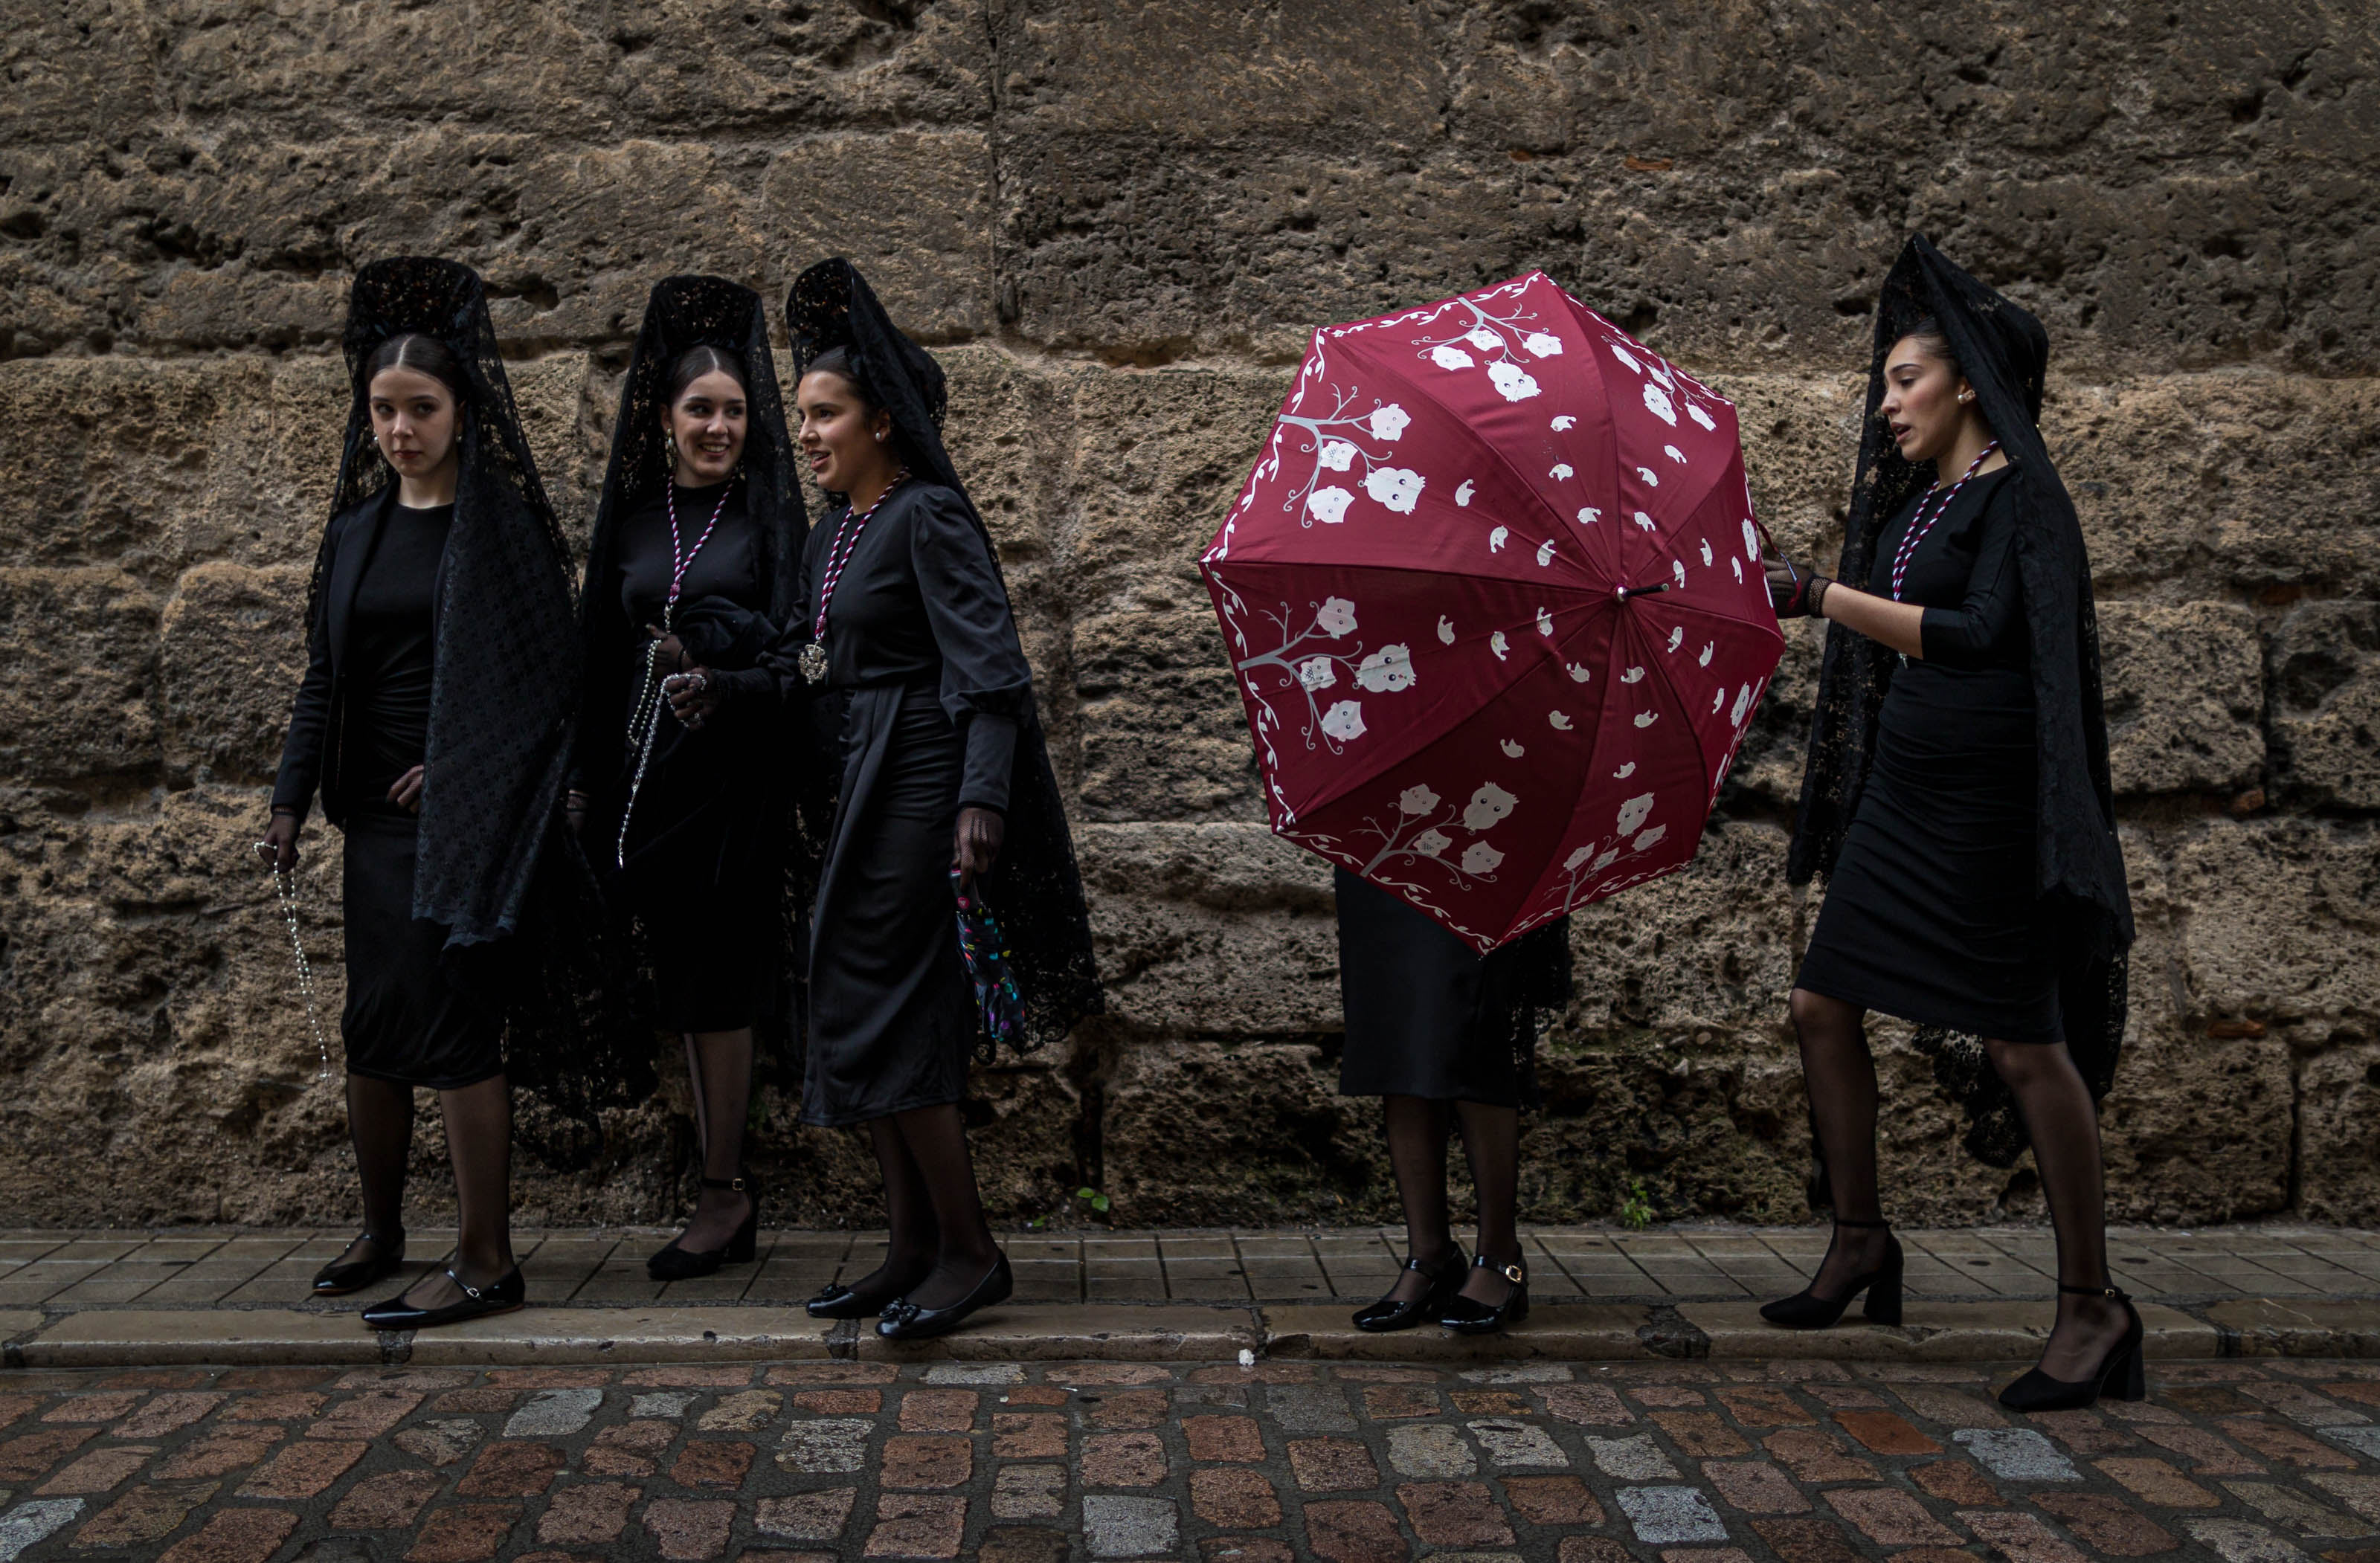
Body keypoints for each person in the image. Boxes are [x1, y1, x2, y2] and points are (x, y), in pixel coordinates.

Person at [1763, 237, 2138, 1411]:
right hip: (1905, 796)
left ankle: (2094, 1307)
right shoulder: (1925, 500)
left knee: (2027, 1046)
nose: (1888, 403)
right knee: (1822, 1002)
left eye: (1904, 379)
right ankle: (1861, 1238)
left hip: (1987, 808)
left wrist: (1820, 596)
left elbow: (1980, 635)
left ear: (1968, 379)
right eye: (1886, 383)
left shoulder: (2025, 496)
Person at [262, 257, 582, 1330]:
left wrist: (462, 765)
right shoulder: (354, 534)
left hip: (465, 822)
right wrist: (285, 800)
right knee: (374, 1025)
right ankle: (383, 1230)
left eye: (423, 409)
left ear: (461, 411)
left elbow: (551, 686)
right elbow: (324, 677)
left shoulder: (500, 534)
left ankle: (489, 1258)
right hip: (371, 824)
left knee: (453, 1030)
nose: (402, 429)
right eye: (384, 410)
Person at [785, 259, 1102, 1341]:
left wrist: (981, 803)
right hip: (855, 784)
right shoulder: (833, 531)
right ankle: (910, 1246)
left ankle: (970, 1250)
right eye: (805, 417)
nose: (809, 433)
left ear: (882, 417)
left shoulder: (929, 518)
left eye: (825, 414)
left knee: (903, 1014)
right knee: (853, 1006)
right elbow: (812, 657)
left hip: (922, 781)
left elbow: (992, 672)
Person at [567, 276, 814, 1281]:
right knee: (680, 986)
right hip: (647, 791)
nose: (718, 426)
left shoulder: (768, 517)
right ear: (664, 419)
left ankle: (724, 1191)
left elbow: (805, 651)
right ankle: (720, 1185)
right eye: (698, 409)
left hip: (736, 788)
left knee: (722, 987)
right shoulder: (633, 519)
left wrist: (726, 675)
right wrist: (583, 778)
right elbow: (593, 654)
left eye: (734, 410)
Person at [1337, 874, 1571, 1335]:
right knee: (1398, 1027)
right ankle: (1430, 1256)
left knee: (1473, 1024)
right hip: (1384, 838)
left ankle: (1500, 1255)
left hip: (1490, 840)